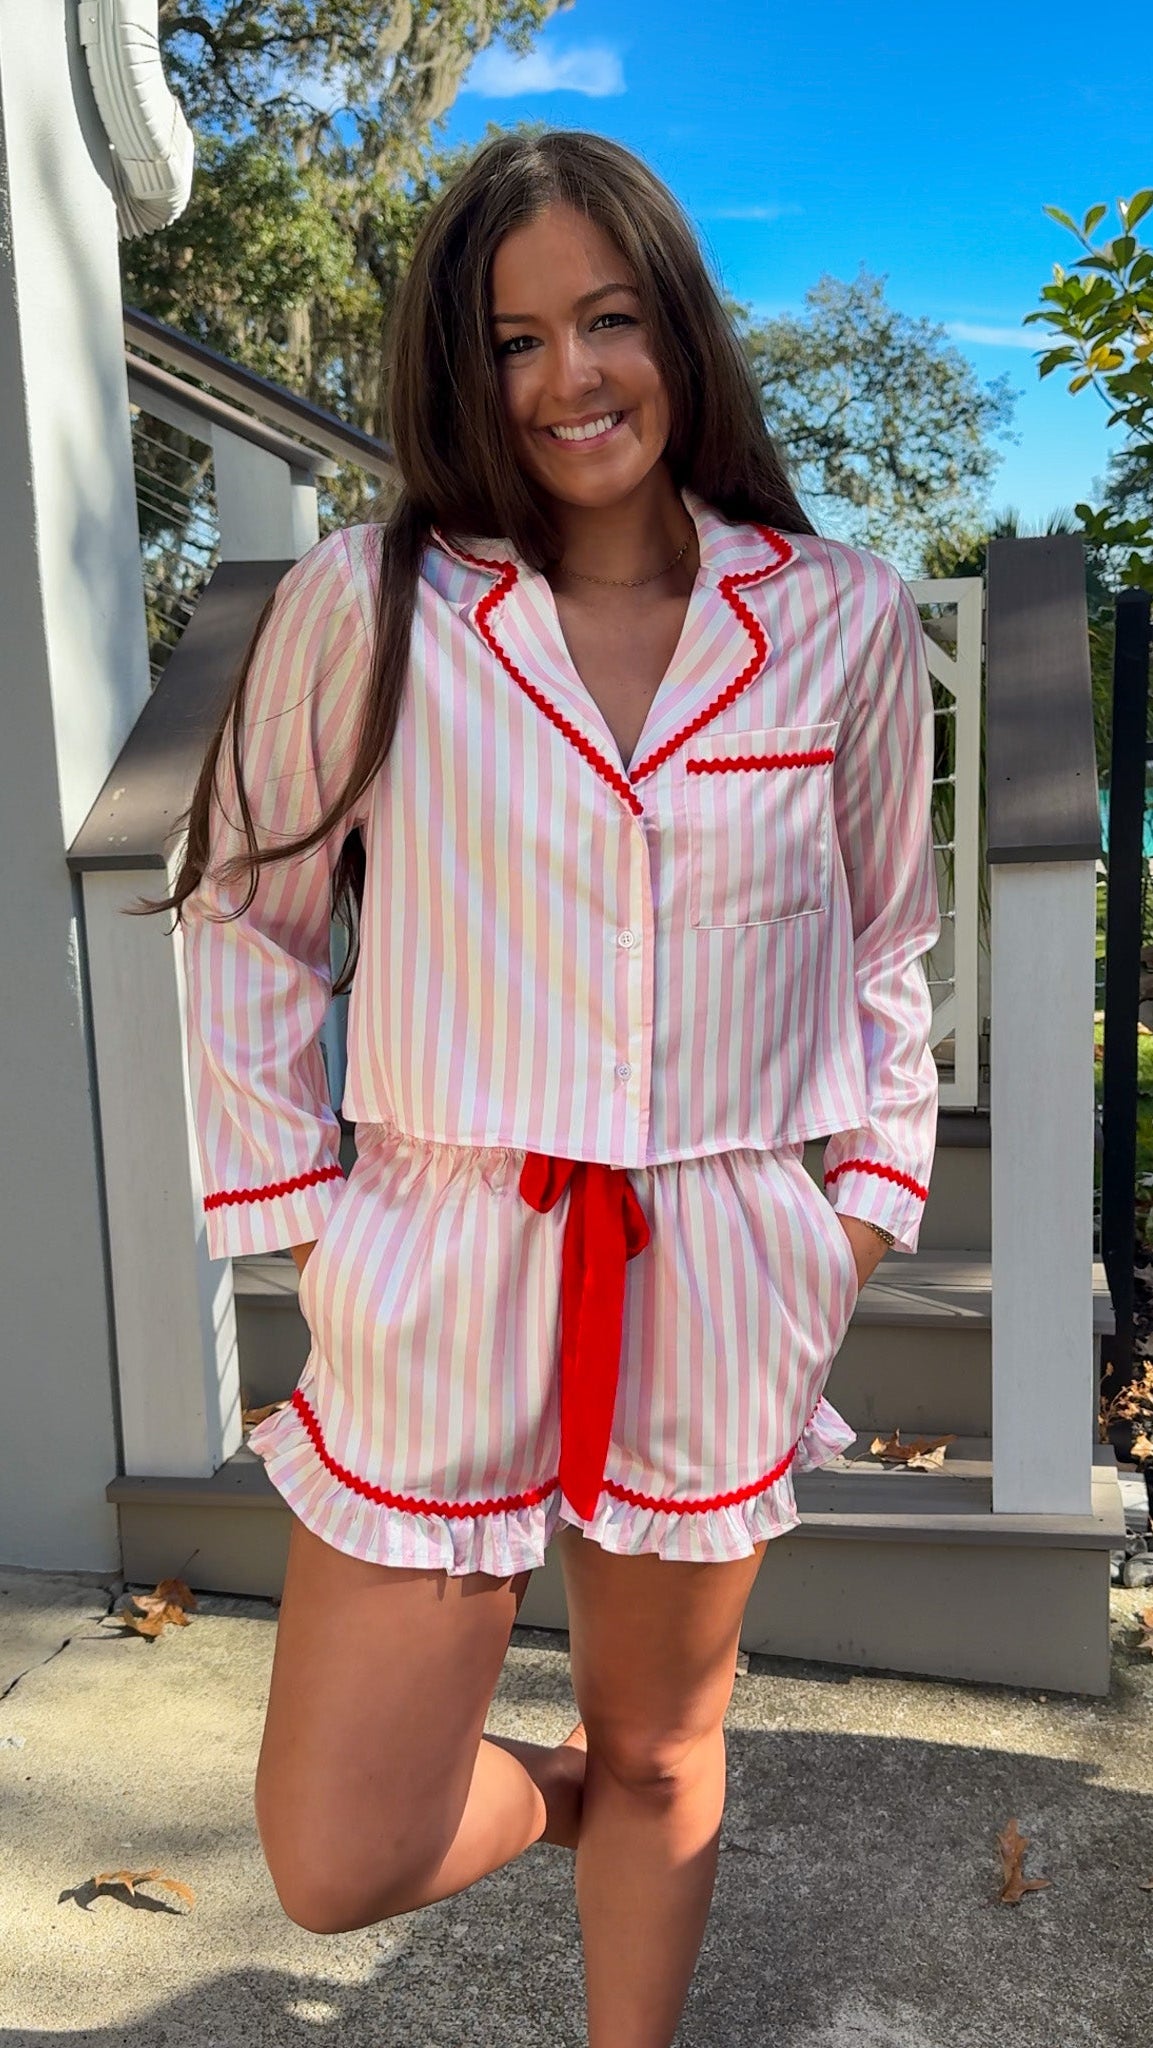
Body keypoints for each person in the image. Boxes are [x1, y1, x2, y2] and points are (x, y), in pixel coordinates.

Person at [139, 128, 941, 2048]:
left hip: (723, 1251)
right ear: (457, 367)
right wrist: (310, 1226)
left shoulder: (836, 614)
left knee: (664, 1743)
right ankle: (607, 1814)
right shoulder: (371, 601)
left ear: (678, 332)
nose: (568, 377)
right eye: (512, 340)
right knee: (339, 1854)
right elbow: (246, 914)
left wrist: (854, 1215)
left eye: (608, 319)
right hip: (441, 1244)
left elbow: (884, 947)